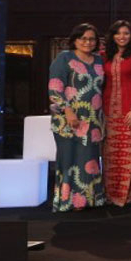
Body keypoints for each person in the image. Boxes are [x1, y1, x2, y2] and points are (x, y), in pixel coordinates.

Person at [48, 23, 107, 211]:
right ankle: (68, 201)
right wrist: (68, 111)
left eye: (91, 39)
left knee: (89, 159)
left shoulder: (98, 61)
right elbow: (55, 89)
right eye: (83, 38)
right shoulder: (64, 58)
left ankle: (90, 199)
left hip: (92, 120)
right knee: (69, 159)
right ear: (74, 40)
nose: (87, 42)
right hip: (68, 119)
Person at [100, 20, 131, 207]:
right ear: (112, 36)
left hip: (129, 111)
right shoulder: (104, 56)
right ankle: (109, 194)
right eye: (118, 33)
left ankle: (125, 195)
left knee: (127, 155)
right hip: (108, 111)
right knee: (110, 155)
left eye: (126, 33)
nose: (122, 37)